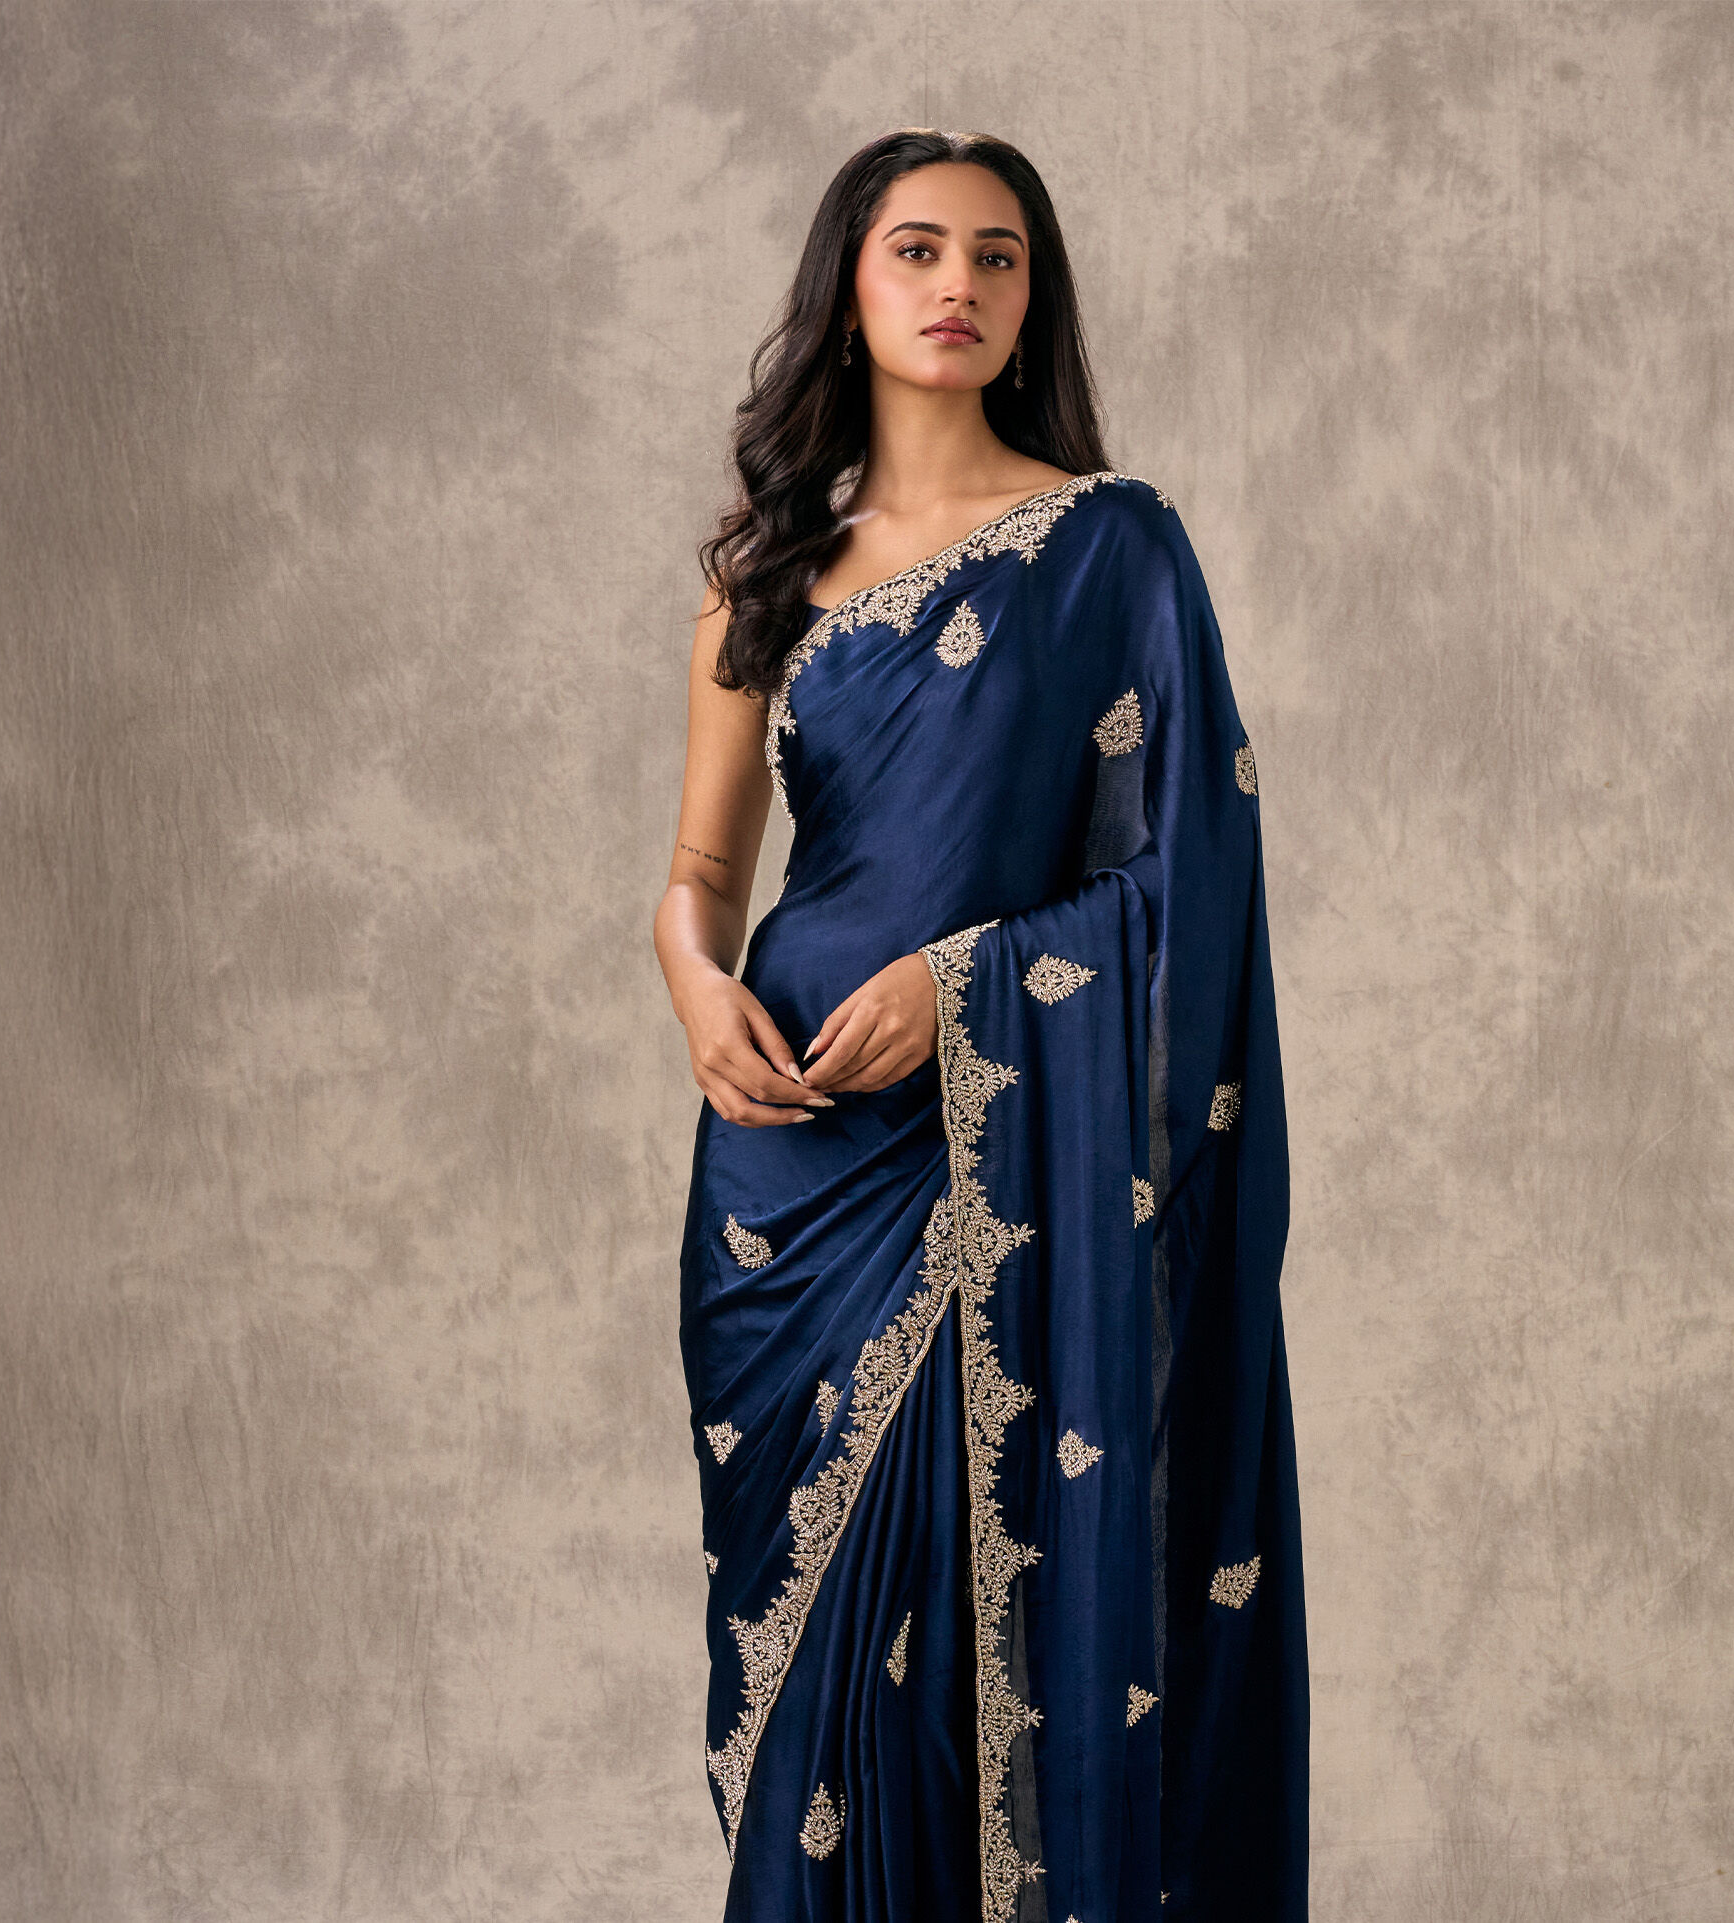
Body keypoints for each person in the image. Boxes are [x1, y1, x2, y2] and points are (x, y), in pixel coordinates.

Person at [653, 128, 1307, 1923]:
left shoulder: (1115, 550)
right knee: (807, 1691)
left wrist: (963, 997)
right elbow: (702, 867)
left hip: (996, 1156)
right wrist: (694, 979)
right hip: (787, 1160)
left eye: (998, 258)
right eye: (920, 249)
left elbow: (1196, 884)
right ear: (848, 289)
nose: (960, 285)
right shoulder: (766, 568)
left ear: (1033, 303)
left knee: (958, 1657)